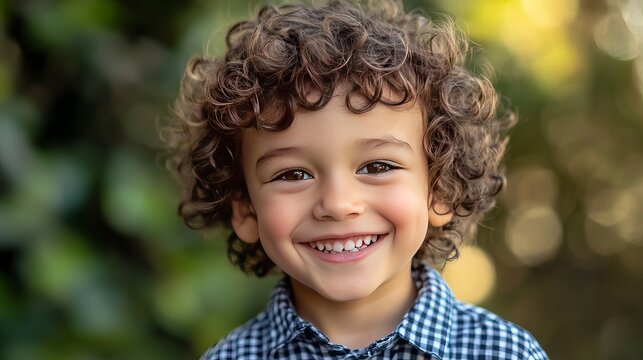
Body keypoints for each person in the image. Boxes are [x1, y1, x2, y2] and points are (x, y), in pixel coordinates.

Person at [167, 0, 548, 358]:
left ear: (440, 191)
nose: (337, 203)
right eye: (293, 174)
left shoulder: (504, 352)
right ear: (245, 209)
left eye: (377, 167)